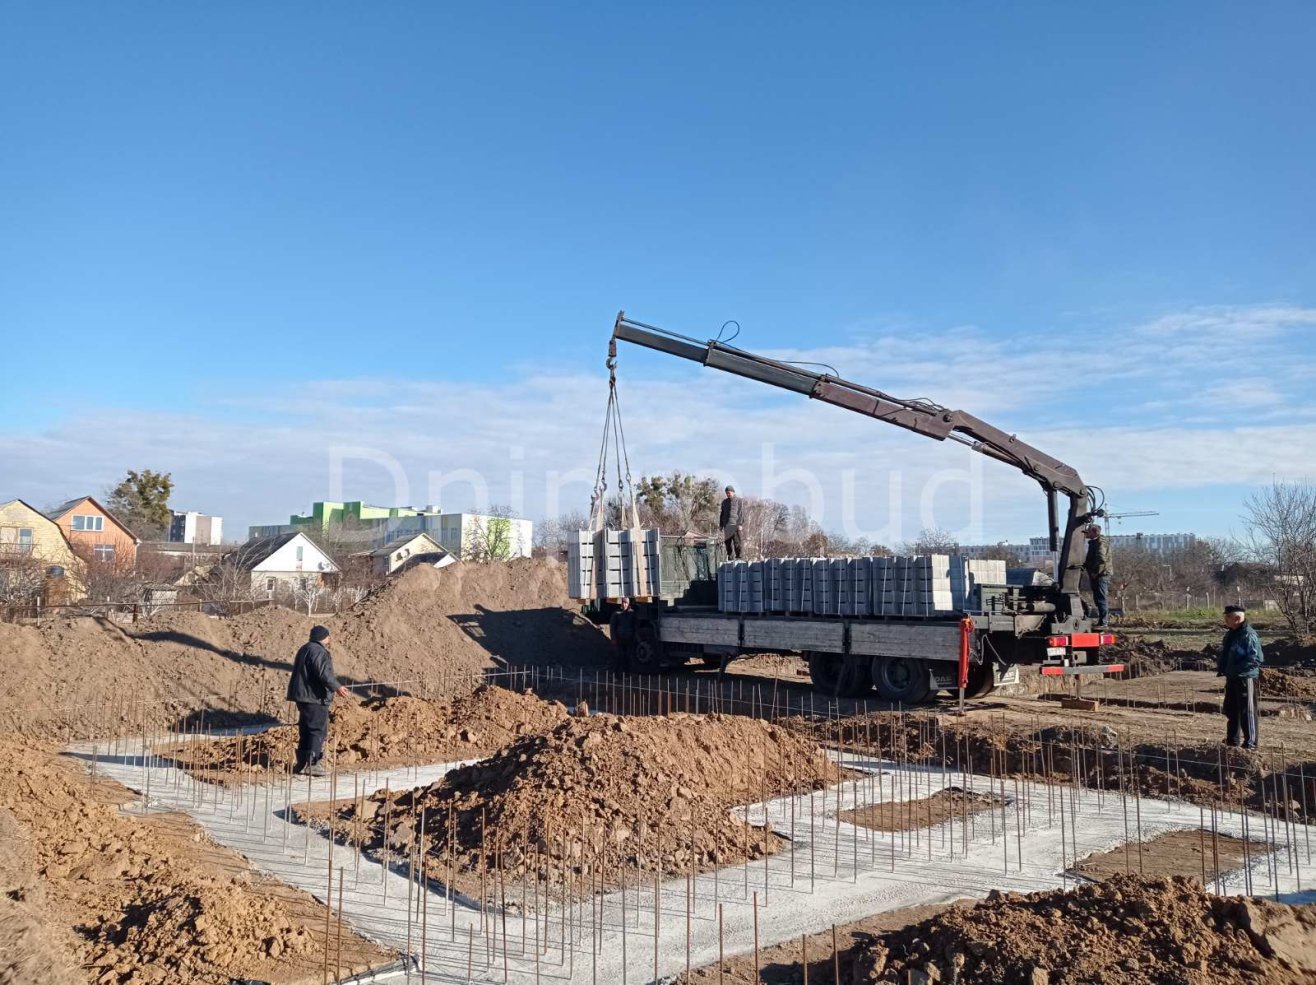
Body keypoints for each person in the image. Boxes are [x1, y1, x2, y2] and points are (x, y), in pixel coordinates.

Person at [287, 625, 349, 776]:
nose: (330, 639)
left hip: (303, 696)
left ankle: (302, 764)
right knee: (317, 730)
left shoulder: (305, 648)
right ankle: (313, 764)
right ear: (324, 637)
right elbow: (323, 673)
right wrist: (337, 687)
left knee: (306, 730)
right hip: (315, 697)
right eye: (328, 636)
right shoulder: (318, 651)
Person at [1217, 604, 1263, 749]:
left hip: (1245, 678)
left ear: (1237, 618)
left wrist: (1237, 670)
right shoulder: (1232, 633)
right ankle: (1232, 741)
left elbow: (1255, 659)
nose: (1225, 620)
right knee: (1231, 710)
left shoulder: (1248, 635)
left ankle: (1251, 744)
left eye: (1227, 617)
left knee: (1247, 711)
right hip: (1232, 677)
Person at [1083, 523, 1111, 627]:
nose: (1086, 534)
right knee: (1098, 598)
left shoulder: (1100, 542)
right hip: (1098, 574)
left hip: (1101, 575)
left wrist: (1095, 572)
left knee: (1101, 598)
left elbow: (1101, 559)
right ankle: (1102, 621)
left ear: (1094, 532)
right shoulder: (1094, 542)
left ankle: (1104, 622)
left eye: (1088, 532)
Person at [609, 597, 636, 670]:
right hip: (619, 639)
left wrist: (634, 637)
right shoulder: (616, 613)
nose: (624, 604)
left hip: (629, 638)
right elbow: (612, 627)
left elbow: (635, 626)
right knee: (619, 657)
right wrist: (613, 638)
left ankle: (627, 674)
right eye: (623, 602)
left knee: (628, 657)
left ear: (628, 604)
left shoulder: (632, 613)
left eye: (626, 603)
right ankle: (617, 674)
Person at [719, 485, 744, 560]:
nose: (728, 494)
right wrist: (721, 525)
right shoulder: (724, 502)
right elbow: (722, 514)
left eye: (729, 493)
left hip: (735, 525)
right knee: (727, 543)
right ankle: (730, 558)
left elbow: (741, 513)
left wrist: (740, 524)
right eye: (727, 493)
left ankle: (739, 557)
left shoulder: (739, 500)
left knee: (737, 542)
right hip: (727, 526)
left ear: (733, 492)